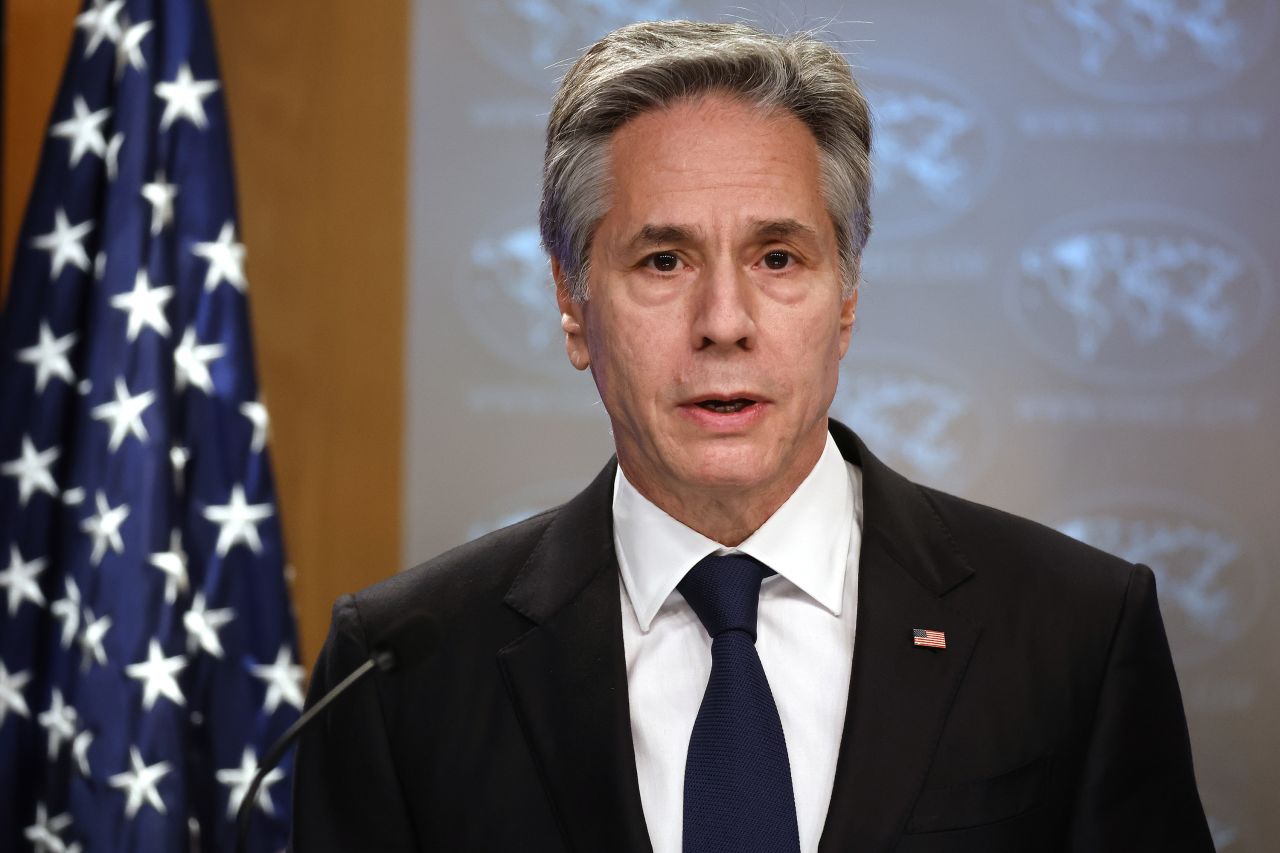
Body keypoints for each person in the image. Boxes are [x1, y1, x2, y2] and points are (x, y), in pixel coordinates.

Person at [291, 20, 1212, 852]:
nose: (724, 320)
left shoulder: (1075, 630)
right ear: (573, 305)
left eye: (778, 257)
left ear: (845, 300)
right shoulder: (401, 668)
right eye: (663, 260)